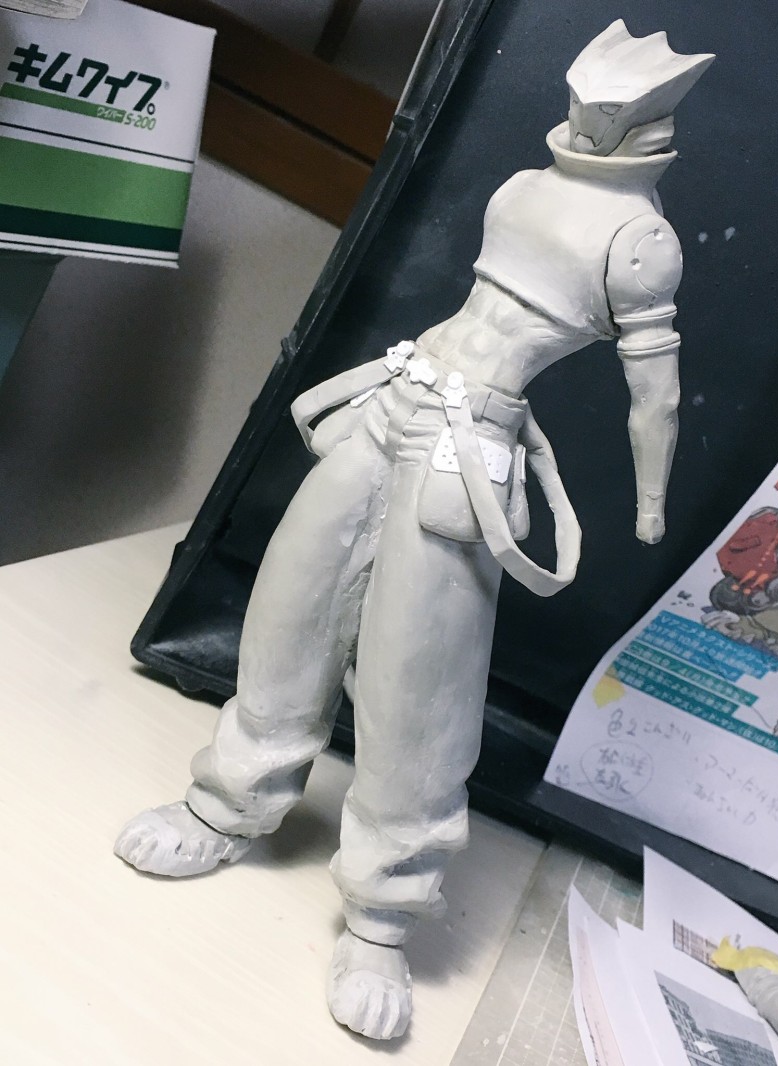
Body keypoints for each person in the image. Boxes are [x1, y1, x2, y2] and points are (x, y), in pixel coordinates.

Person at [115, 21, 714, 1041]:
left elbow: (652, 390)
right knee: (294, 600)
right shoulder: (523, 187)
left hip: (470, 441)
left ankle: (383, 912)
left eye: (606, 109)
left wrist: (650, 502)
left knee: (418, 679)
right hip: (401, 394)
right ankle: (230, 799)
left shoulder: (641, 241)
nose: (584, 117)